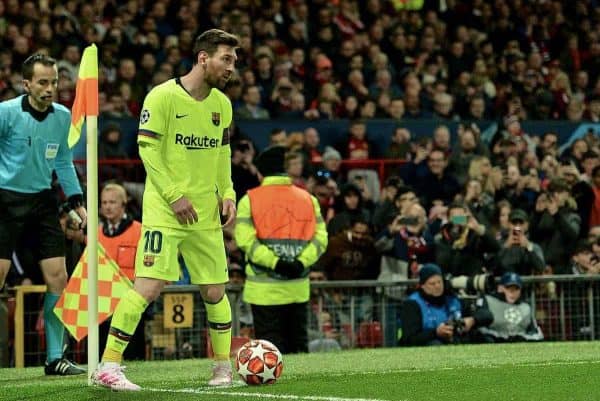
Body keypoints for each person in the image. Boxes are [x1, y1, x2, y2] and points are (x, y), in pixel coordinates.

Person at [92, 29, 240, 391]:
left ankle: (222, 369)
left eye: (234, 61)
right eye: (226, 59)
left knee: (216, 291)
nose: (232, 67)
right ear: (203, 58)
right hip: (166, 212)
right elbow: (148, 151)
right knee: (148, 286)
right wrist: (174, 195)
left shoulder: (222, 104)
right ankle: (108, 365)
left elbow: (222, 153)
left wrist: (229, 192)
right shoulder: (161, 97)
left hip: (205, 215)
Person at [0, 54, 87, 375]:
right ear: (26, 84)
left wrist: (78, 202)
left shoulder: (62, 117)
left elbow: (63, 161)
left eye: (54, 82)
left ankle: (54, 358)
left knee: (58, 278)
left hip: (41, 202)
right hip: (4, 201)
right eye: (43, 82)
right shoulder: (5, 113)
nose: (51, 88)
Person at [235, 145, 328, 354]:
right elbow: (321, 239)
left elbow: (246, 242)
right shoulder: (308, 199)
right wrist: (300, 262)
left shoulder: (249, 199)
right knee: (298, 352)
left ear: (260, 172)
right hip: (298, 288)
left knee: (270, 357)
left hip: (263, 293)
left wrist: (276, 263)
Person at [96, 183, 147, 360]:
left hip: (131, 300)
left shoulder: (139, 230)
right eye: (104, 202)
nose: (108, 206)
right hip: (102, 304)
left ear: (123, 204)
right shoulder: (96, 234)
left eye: (112, 202)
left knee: (134, 354)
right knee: (101, 351)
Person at [398, 264, 477, 346]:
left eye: (439, 282)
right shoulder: (412, 303)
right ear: (422, 286)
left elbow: (486, 315)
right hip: (425, 347)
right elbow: (410, 339)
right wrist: (436, 333)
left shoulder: (451, 297)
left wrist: (473, 320)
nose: (437, 286)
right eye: (432, 284)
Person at [473, 272, 544, 343]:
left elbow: (536, 333)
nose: (512, 292)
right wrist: (501, 338)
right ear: (500, 288)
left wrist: (522, 338)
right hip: (495, 342)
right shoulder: (489, 301)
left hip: (521, 344)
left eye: (516, 289)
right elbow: (480, 329)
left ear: (520, 290)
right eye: (508, 288)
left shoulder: (526, 307)